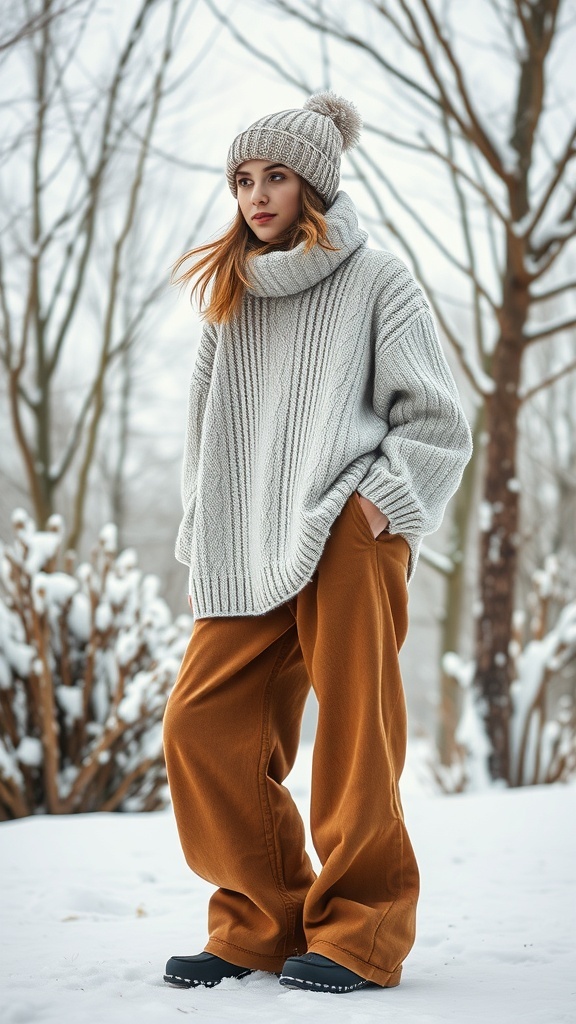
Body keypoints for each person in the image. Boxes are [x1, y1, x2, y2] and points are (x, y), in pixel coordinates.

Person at [162, 90, 473, 995]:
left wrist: (375, 505)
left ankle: (362, 934)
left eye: (277, 176)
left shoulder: (378, 278)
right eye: (243, 179)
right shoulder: (232, 295)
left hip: (349, 525)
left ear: (316, 185)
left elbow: (439, 421)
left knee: (355, 733)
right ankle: (261, 921)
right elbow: (205, 435)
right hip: (247, 538)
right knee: (201, 723)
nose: (257, 195)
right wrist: (204, 527)